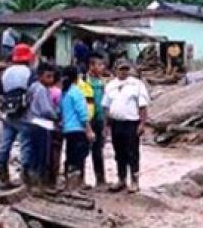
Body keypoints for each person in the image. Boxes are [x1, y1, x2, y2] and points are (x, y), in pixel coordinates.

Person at [103, 60, 150, 193]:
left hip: (131, 123)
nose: (123, 72)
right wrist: (106, 126)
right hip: (116, 123)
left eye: (126, 69)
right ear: (115, 70)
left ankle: (135, 181)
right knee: (119, 152)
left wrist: (142, 123)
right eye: (121, 69)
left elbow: (143, 106)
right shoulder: (111, 85)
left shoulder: (137, 84)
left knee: (132, 152)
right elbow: (106, 106)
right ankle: (121, 179)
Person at [0, 44, 35, 191]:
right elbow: (33, 93)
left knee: (4, 146)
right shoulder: (30, 73)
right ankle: (25, 179)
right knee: (25, 146)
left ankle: (3, 179)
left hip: (8, 115)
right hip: (24, 115)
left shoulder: (5, 73)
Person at [59, 65, 95, 190]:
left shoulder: (63, 92)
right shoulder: (76, 92)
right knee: (79, 157)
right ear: (77, 77)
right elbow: (83, 113)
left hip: (66, 129)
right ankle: (76, 186)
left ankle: (69, 184)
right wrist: (89, 130)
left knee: (70, 156)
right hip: (78, 129)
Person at [27, 62, 60, 191]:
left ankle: (34, 182)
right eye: (48, 76)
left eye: (52, 77)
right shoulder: (41, 89)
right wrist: (57, 115)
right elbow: (46, 110)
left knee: (34, 154)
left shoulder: (33, 87)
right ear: (40, 76)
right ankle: (41, 184)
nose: (51, 80)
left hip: (32, 122)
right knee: (42, 155)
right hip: (42, 124)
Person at [86, 53, 108, 188]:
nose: (102, 67)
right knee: (82, 150)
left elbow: (105, 105)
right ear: (91, 65)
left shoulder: (103, 82)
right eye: (99, 65)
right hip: (87, 120)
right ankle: (79, 180)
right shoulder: (84, 81)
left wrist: (106, 124)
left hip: (100, 120)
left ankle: (100, 180)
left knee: (98, 150)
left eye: (103, 65)